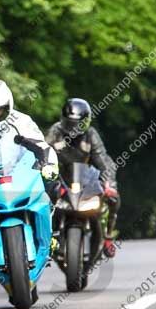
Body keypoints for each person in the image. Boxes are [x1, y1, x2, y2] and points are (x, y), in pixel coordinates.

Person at [45, 98, 120, 257]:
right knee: (44, 201)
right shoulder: (55, 132)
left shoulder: (90, 134)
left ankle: (107, 236)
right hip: (61, 179)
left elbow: (103, 160)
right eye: (69, 123)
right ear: (63, 119)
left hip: (86, 179)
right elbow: (42, 154)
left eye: (76, 124)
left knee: (113, 198)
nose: (72, 128)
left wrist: (109, 184)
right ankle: (49, 237)